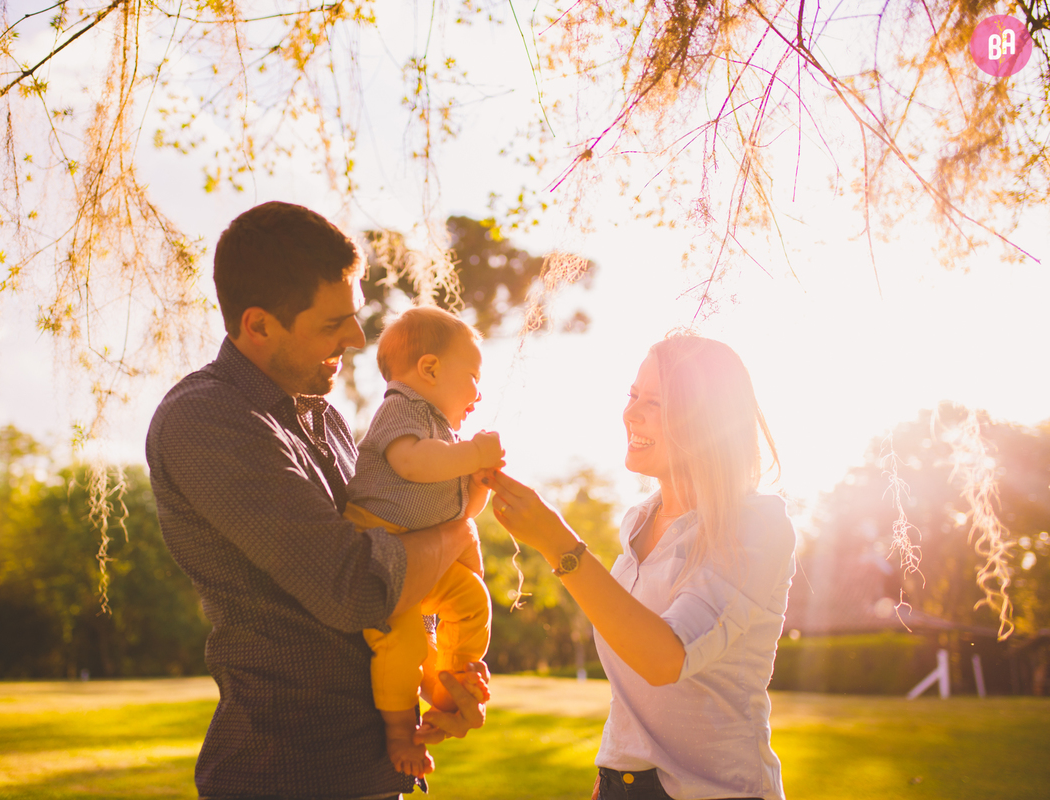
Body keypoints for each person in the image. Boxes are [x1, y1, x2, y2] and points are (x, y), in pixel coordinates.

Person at [145, 201, 488, 800]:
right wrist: (459, 531)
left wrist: (439, 679)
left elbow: (396, 571)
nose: (356, 338)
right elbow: (359, 588)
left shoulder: (323, 418)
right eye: (334, 323)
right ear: (259, 325)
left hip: (373, 771)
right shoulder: (206, 419)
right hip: (289, 774)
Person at [485, 332, 795, 800]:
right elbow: (632, 679)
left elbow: (664, 657)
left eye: (656, 402)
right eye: (632, 396)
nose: (630, 414)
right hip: (621, 784)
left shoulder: (756, 525)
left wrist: (557, 543)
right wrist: (613, 766)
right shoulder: (637, 522)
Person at [344, 306, 503, 777]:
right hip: (380, 549)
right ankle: (399, 731)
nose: (479, 392)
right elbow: (413, 464)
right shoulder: (402, 410)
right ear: (430, 369)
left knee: (474, 600)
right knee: (404, 640)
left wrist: (479, 480)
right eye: (473, 377)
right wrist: (471, 453)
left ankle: (455, 685)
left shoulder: (444, 434)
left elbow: (463, 513)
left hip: (423, 553)